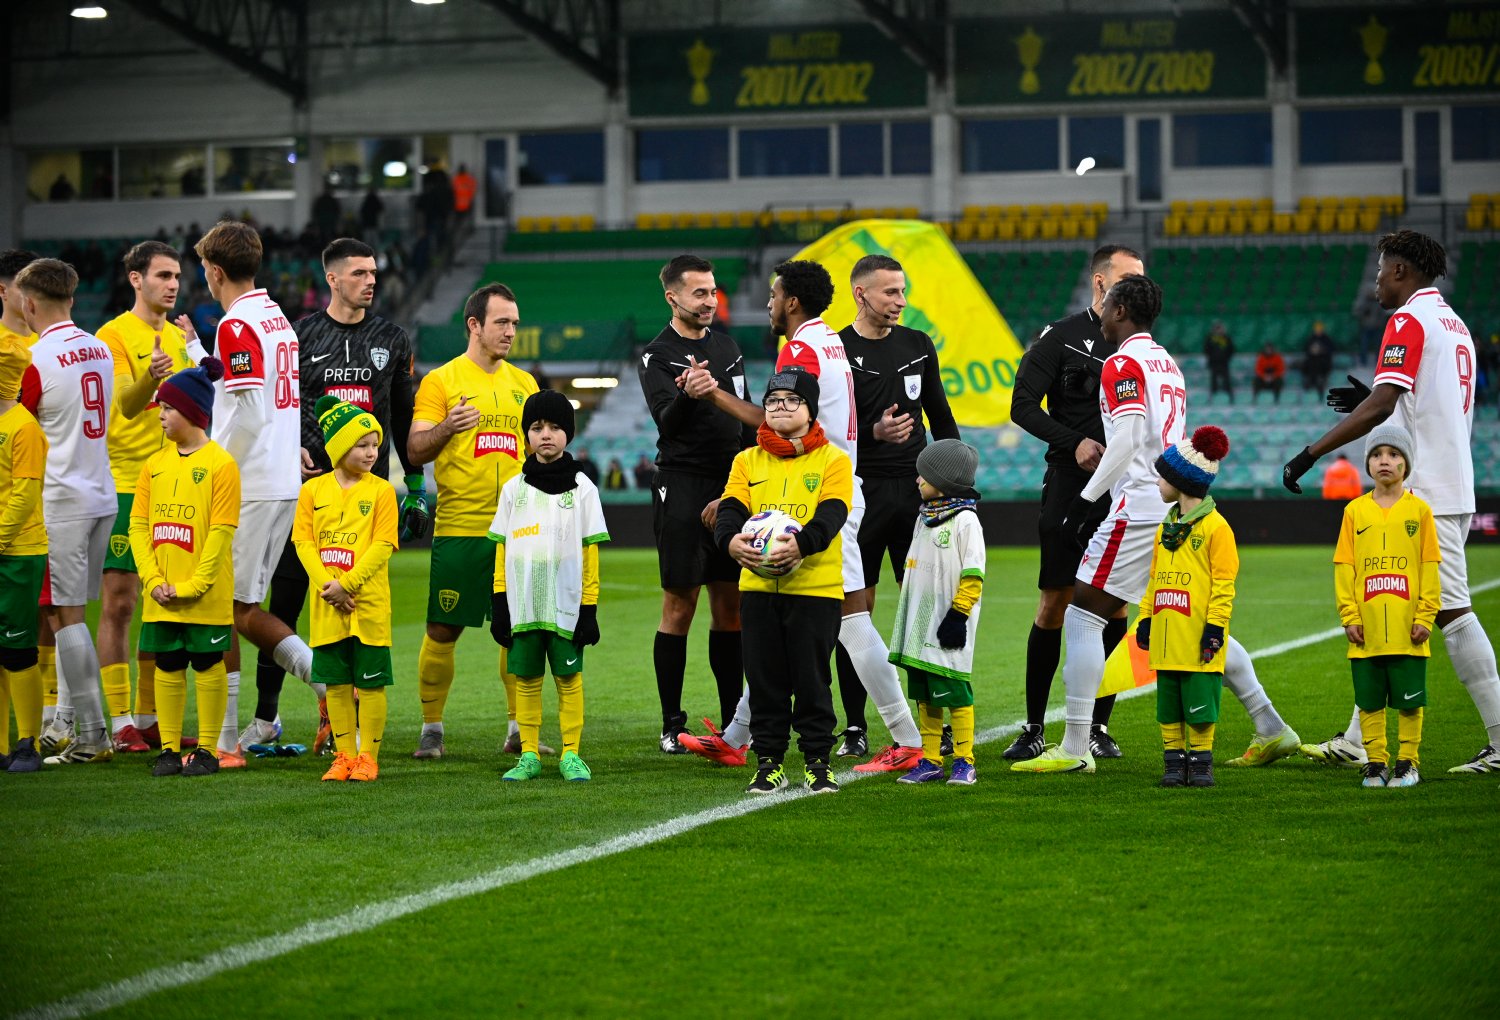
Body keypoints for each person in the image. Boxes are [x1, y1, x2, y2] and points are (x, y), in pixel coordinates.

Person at [1014, 274, 1300, 774]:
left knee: (1082, 615)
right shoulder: (1167, 363)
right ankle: (1270, 725)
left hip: (1138, 506)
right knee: (1189, 621)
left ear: (1121, 310)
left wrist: (1084, 501)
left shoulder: (1121, 362)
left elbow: (1126, 440)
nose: (1101, 314)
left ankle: (1076, 746)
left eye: (1106, 306)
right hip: (1166, 507)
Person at [675, 260, 925, 775]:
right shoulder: (830, 340)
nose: (768, 304)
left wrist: (713, 394)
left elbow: (780, 420)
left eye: (773, 296)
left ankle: (906, 738)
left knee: (852, 620)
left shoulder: (800, 348)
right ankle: (737, 737)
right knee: (781, 616)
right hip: (825, 485)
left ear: (790, 301)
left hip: (819, 495)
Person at [1285, 230, 1500, 774]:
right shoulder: (1454, 324)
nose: (1376, 282)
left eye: (1381, 271)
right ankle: (1358, 740)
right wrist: (1375, 398)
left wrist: (1310, 454)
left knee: (1451, 610)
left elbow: (1384, 405)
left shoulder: (1407, 320)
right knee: (1391, 606)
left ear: (1401, 271)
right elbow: (1420, 401)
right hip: (1448, 480)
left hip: (1425, 490)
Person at [240, 237, 422, 756]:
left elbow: (403, 417)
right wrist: (292, 446)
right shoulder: (299, 336)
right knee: (286, 604)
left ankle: (352, 719)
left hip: (367, 503)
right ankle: (266, 718)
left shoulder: (392, 338)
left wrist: (415, 486)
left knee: (359, 609)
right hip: (308, 495)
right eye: (359, 273)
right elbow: (283, 405)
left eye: (373, 272)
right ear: (333, 279)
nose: (370, 281)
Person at [1005, 244, 1144, 761]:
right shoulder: (1060, 337)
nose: (1137, 287)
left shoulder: (1141, 349)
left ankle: (1098, 727)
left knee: (1116, 605)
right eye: (1128, 278)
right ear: (1101, 282)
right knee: (1055, 601)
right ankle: (1034, 727)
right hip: (1069, 482)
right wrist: (1074, 441)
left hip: (1123, 487)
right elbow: (1021, 405)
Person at [189, 220, 315, 768]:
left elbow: (251, 411)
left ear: (215, 271)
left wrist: (214, 463)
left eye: (203, 269)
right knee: (242, 609)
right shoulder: (276, 317)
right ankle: (329, 689)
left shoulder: (237, 323)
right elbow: (248, 391)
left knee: (225, 609)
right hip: (280, 479)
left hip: (251, 482)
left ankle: (225, 742)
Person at [835, 253, 959, 766]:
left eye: (903, 291)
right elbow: (827, 431)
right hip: (859, 496)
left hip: (915, 495)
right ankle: (855, 726)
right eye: (891, 292)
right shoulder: (837, 350)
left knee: (925, 610)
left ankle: (935, 724)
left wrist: (956, 486)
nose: (901, 301)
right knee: (854, 613)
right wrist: (874, 433)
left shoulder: (918, 344)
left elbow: (941, 417)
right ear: (861, 293)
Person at [408, 282, 538, 759]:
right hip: (461, 527)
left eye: (515, 323)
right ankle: (432, 728)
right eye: (502, 322)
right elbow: (415, 449)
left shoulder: (526, 385)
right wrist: (448, 426)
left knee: (518, 629)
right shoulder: (441, 381)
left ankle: (518, 730)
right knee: (443, 629)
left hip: (519, 530)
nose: (511, 331)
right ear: (474, 325)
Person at [713, 368, 852, 794]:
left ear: (811, 410)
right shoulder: (746, 460)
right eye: (773, 401)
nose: (780, 407)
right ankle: (769, 763)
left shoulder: (833, 460)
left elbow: (834, 512)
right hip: (757, 590)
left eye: (793, 400)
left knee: (813, 681)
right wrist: (729, 542)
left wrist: (803, 545)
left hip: (815, 589)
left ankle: (817, 762)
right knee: (764, 682)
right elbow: (731, 509)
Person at [635, 255, 750, 752]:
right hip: (681, 484)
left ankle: (733, 725)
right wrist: (690, 394)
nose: (710, 301)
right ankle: (671, 724)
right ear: (673, 298)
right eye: (699, 293)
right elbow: (666, 421)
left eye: (713, 291)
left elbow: (746, 420)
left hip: (731, 482)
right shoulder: (657, 355)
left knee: (730, 606)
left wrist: (745, 482)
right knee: (679, 605)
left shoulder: (727, 347)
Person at [14, 259, 117, 765]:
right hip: (101, 493)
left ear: (28, 304)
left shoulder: (34, 359)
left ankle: (93, 736)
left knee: (63, 615)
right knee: (69, 614)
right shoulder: (100, 348)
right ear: (72, 299)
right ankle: (68, 722)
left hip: (62, 500)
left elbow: (19, 427)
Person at [96, 241, 196, 755]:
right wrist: (148, 378)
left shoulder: (179, 336)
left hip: (174, 483)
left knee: (165, 603)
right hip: (126, 482)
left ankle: (150, 717)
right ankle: (119, 721)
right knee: (120, 602)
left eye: (176, 275)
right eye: (163, 275)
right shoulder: (112, 335)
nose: (173, 284)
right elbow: (125, 406)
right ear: (136, 279)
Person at [487, 390, 608, 783]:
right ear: (526, 434)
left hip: (566, 604)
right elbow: (501, 552)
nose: (546, 435)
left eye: (555, 427)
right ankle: (528, 754)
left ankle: (571, 754)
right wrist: (500, 603)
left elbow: (590, 554)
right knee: (526, 680)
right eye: (537, 427)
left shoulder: (583, 489)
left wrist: (589, 607)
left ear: (568, 434)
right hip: (523, 605)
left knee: (568, 680)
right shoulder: (513, 489)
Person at [128, 357, 239, 777]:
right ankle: (169, 751)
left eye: (168, 408)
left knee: (208, 663)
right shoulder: (153, 465)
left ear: (192, 411)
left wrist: (194, 585)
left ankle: (207, 750)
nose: (160, 415)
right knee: (167, 663)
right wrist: (152, 579)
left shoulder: (221, 465)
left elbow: (221, 533)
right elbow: (139, 526)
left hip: (204, 594)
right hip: (161, 593)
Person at [293, 397, 399, 783]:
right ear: (338, 448)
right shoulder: (312, 491)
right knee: (336, 684)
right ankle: (344, 757)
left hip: (367, 605)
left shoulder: (383, 491)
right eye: (362, 445)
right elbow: (303, 543)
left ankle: (368, 758)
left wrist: (347, 586)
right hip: (327, 605)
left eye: (375, 445)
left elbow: (383, 546)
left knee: (371, 684)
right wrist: (329, 587)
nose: (372, 453)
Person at [1333, 424, 1439, 788]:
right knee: (1369, 701)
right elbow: (1344, 566)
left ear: (1406, 464)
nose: (1385, 461)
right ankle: (1376, 763)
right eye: (1377, 455)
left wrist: (1426, 614)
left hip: (1409, 627)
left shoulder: (1420, 512)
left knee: (1410, 701)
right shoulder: (1354, 511)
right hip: (1367, 629)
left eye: (1394, 455)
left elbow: (1429, 566)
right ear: (1367, 463)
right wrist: (1349, 614)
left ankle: (1408, 763)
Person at [1136, 426, 1237, 788]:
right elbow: (1154, 579)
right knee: (1168, 705)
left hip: (1197, 637)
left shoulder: (1216, 528)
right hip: (1167, 638)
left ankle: (1201, 761)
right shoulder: (1165, 528)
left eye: (1162, 476)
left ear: (1180, 481)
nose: (1157, 482)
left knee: (1201, 702)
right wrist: (1145, 618)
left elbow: (1224, 585)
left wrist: (1215, 627)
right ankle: (1174, 762)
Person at [889, 440, 985, 786]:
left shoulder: (966, 521)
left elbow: (973, 574)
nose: (917, 480)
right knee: (924, 695)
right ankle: (930, 760)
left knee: (955, 691)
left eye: (924, 475)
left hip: (947, 623)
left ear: (943, 481)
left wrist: (958, 616)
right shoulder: (924, 517)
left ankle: (965, 761)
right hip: (919, 625)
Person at [0, 335, 48, 773]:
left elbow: (26, 492)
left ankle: (27, 743)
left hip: (18, 551)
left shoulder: (24, 427)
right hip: (5, 547)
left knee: (17, 649)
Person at [1203, 320, 1235, 404]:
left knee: (1227, 380)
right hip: (1214, 363)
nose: (1218, 330)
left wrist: (1226, 358)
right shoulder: (1210, 338)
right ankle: (1213, 398)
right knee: (1213, 380)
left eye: (1220, 328)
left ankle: (1230, 397)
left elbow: (1231, 349)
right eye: (1217, 328)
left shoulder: (1226, 338)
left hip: (1224, 363)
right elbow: (1206, 349)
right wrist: (1211, 358)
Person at [1301, 321, 1334, 394]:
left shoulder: (1326, 339)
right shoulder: (1311, 338)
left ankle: (1320, 380)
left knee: (1320, 364)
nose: (1318, 331)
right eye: (1316, 330)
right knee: (1307, 364)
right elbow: (1306, 349)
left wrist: (1322, 350)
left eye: (1319, 330)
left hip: (1324, 359)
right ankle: (1310, 380)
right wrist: (1312, 350)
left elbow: (1331, 349)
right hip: (1312, 359)